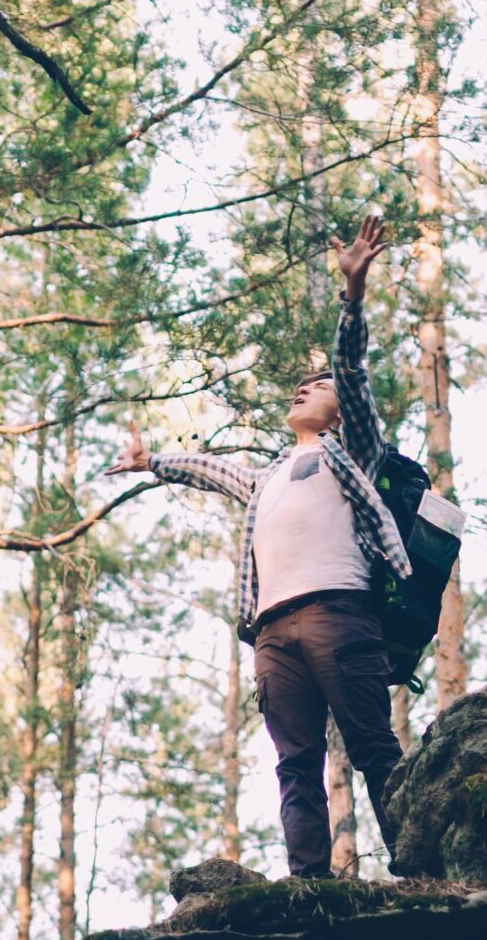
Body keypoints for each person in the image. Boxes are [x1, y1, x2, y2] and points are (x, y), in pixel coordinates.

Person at [110, 217, 410, 878]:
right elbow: (211, 470)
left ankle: (420, 867)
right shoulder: (267, 474)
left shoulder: (353, 454)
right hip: (273, 632)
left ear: (340, 411)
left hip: (341, 612)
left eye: (318, 387)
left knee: (372, 747)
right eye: (301, 387)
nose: (305, 389)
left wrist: (353, 295)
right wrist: (151, 460)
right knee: (294, 763)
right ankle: (309, 885)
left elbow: (353, 374)